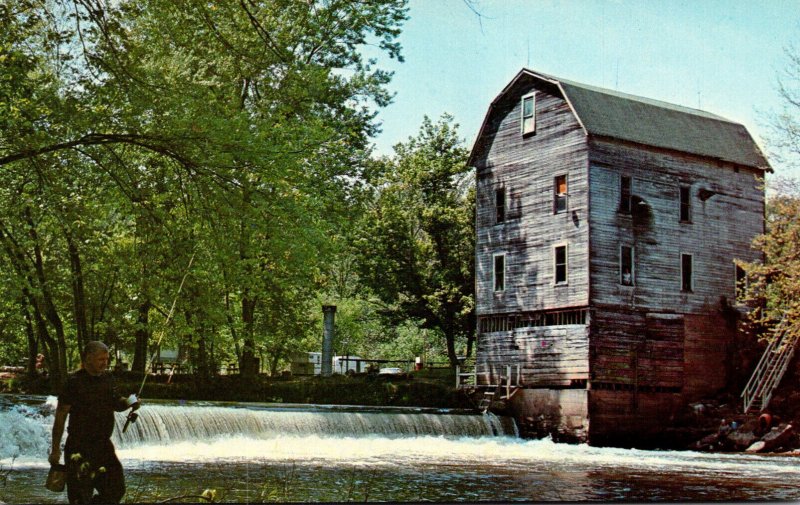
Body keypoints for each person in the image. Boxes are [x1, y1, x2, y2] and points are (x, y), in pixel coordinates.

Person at [49, 341, 139, 504]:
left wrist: (129, 402)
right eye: (101, 359)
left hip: (103, 446)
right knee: (80, 497)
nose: (105, 363)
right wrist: (55, 450)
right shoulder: (74, 382)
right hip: (79, 448)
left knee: (116, 489)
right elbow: (60, 417)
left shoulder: (107, 379)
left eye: (107, 359)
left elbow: (116, 402)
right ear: (88, 358)